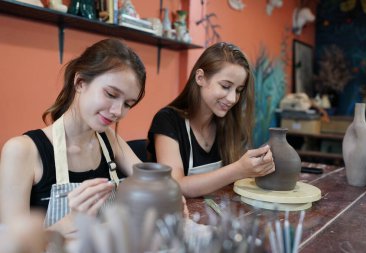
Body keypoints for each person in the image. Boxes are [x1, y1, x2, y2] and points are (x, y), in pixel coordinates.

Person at [0, 38, 146, 235]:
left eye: (128, 104)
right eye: (111, 94)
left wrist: (166, 194)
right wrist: (69, 220)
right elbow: (12, 245)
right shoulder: (22, 151)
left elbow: (151, 180)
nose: (117, 111)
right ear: (80, 83)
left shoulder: (108, 139)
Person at [147, 42, 275, 198]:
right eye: (225, 86)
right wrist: (238, 169)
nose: (232, 98)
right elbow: (174, 186)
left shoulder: (229, 122)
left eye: (238, 90)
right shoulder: (167, 120)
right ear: (200, 77)